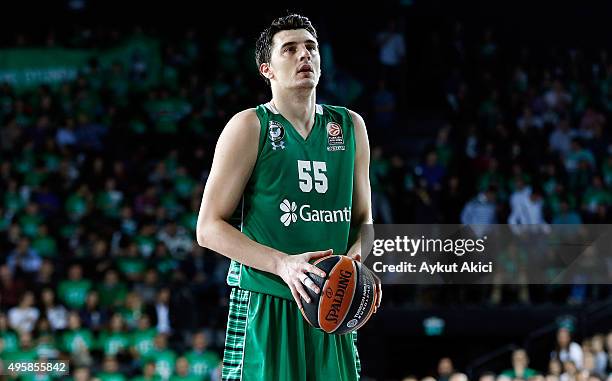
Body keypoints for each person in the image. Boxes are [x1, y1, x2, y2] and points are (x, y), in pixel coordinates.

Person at [196, 13, 381, 381]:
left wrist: (357, 268)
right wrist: (284, 264)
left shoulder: (350, 126)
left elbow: (366, 223)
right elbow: (208, 229)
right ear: (267, 68)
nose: (304, 56)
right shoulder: (249, 126)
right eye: (290, 49)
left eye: (311, 47)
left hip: (331, 308)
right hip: (267, 302)